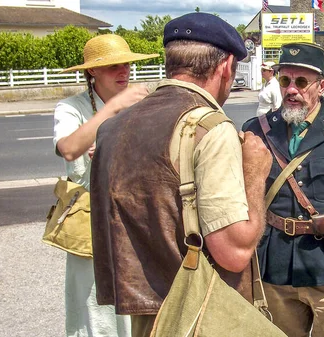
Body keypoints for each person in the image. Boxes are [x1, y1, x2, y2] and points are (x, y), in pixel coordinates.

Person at [89, 13, 272, 337]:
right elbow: (234, 251)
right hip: (201, 317)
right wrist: (255, 173)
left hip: (147, 318)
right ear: (227, 65)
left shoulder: (112, 128)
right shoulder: (209, 128)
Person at [242, 42, 324, 337]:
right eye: (285, 80)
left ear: (321, 86)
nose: (291, 90)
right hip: (273, 269)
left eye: (301, 82)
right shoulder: (256, 130)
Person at [54, 34, 157, 337]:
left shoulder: (141, 105)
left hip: (134, 214)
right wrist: (112, 110)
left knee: (136, 298)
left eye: (125, 64)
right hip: (89, 218)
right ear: (92, 72)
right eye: (112, 66)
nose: (123, 71)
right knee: (92, 306)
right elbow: (70, 148)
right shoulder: (71, 107)